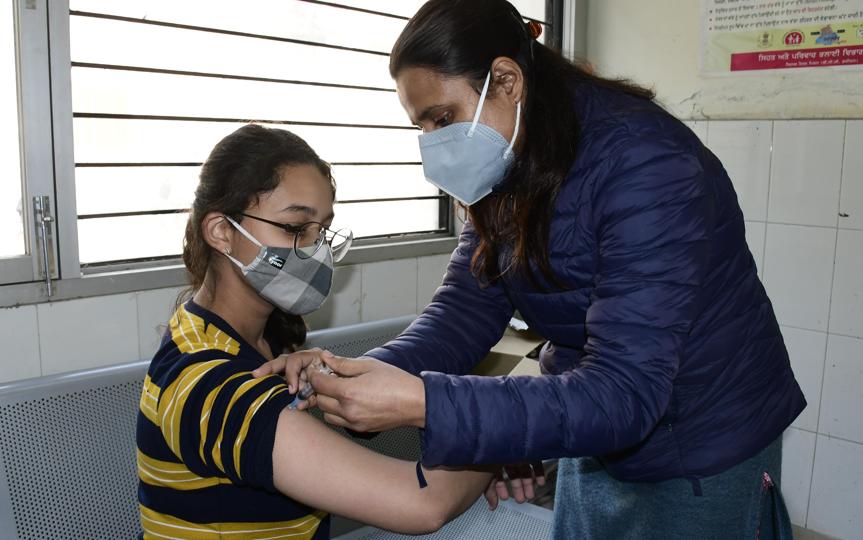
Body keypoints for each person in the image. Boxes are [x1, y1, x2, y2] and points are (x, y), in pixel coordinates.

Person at [255, 1, 805, 538]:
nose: (432, 145)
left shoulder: (647, 165)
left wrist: (430, 405)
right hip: (599, 429)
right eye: (420, 126)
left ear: (508, 81)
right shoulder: (508, 163)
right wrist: (355, 374)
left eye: (442, 119)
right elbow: (461, 315)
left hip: (705, 439)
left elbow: (625, 395)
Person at [135, 124, 491, 540]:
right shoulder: (210, 383)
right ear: (221, 231)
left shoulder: (255, 339)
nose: (315, 251)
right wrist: (502, 447)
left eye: (321, 231)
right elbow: (423, 503)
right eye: (294, 229)